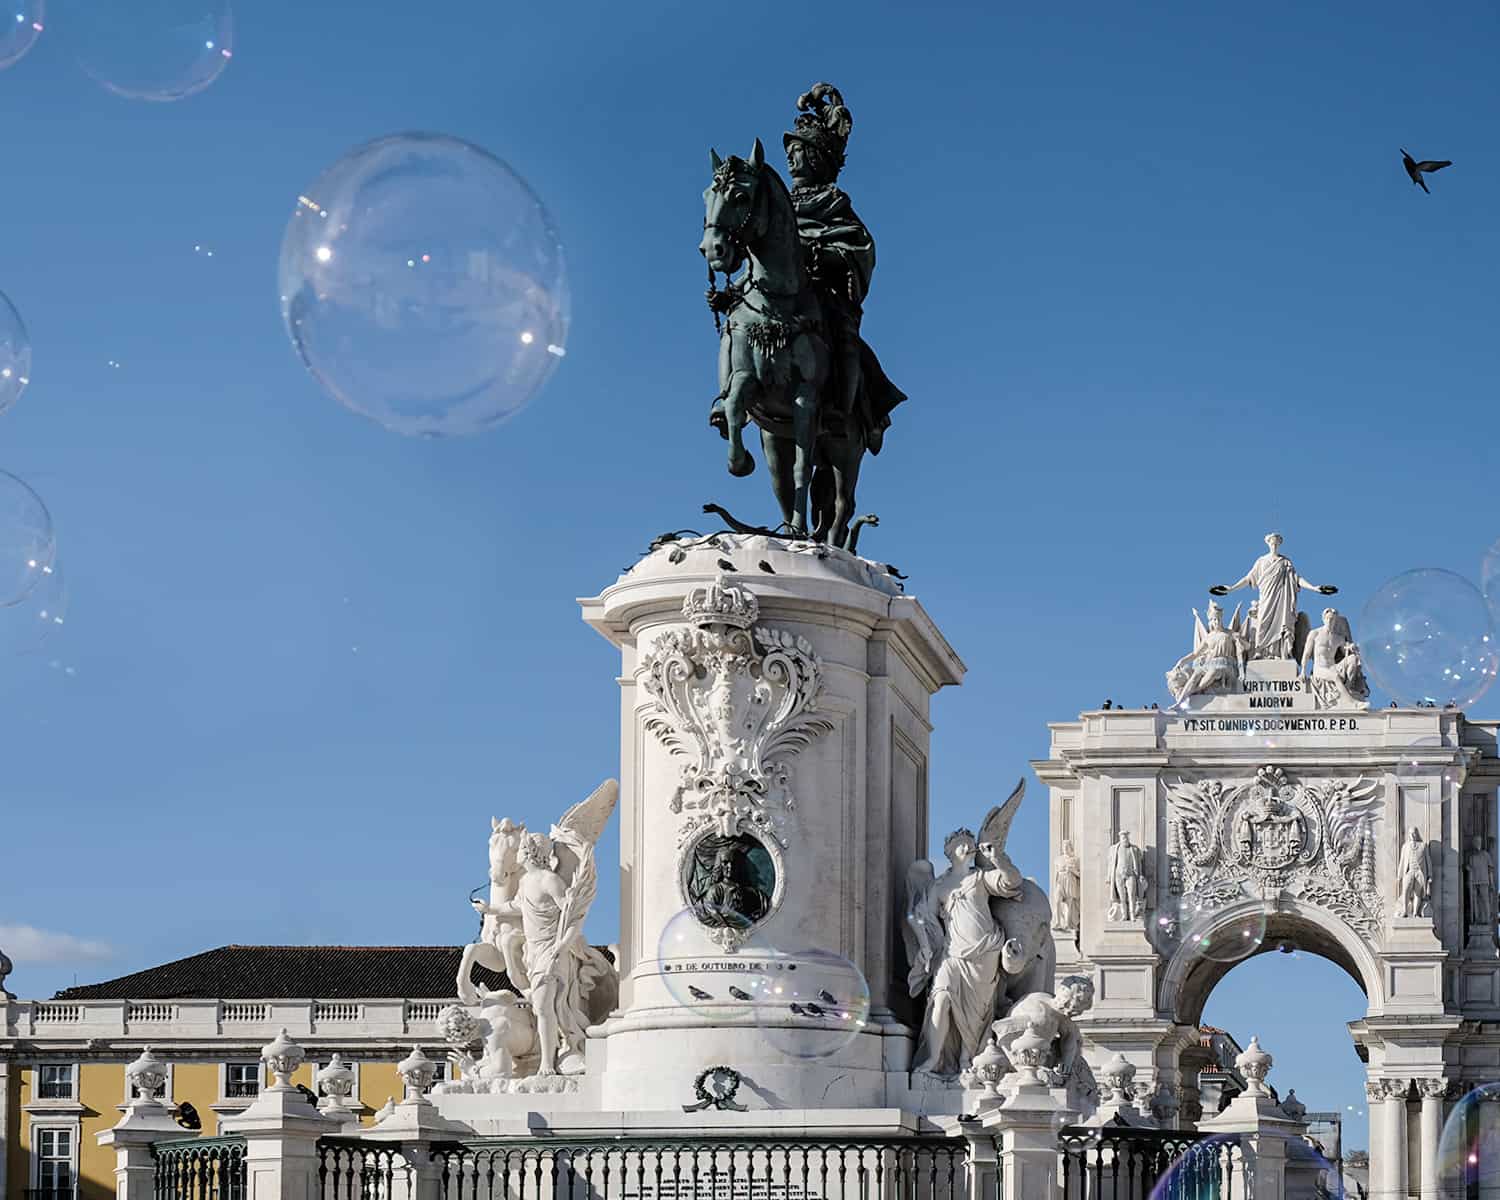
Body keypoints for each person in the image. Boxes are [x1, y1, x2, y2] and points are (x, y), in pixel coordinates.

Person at [912, 826, 1025, 1076]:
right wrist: (923, 945)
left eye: (970, 843)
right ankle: (932, 1059)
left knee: (977, 1013)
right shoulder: (938, 887)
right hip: (952, 954)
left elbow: (1012, 881)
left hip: (985, 951)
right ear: (949, 850)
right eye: (962, 843)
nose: (968, 846)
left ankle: (968, 1059)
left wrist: (997, 858)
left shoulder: (980, 878)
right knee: (940, 999)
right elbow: (924, 919)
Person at [1211, 533, 1337, 660]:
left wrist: (1314, 588)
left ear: (1280, 544)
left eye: (1277, 543)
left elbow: (1296, 579)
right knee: (1262, 623)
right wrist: (1231, 588)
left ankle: (1279, 654)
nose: (1274, 545)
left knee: (1282, 625)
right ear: (1268, 543)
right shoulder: (1261, 562)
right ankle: (1260, 651)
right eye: (1272, 542)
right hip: (1266, 598)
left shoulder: (1285, 562)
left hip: (1282, 601)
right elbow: (1248, 578)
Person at [1166, 602, 1250, 704]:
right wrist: (1182, 661)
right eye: (1214, 619)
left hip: (1226, 666)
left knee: (1213, 672)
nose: (1216, 621)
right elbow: (1195, 654)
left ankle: (1194, 692)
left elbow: (1247, 647)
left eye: (1218, 618)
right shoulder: (1209, 637)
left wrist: (1240, 639)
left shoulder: (1230, 633)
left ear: (1221, 618)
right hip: (1209, 664)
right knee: (1196, 674)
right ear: (1210, 621)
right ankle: (1180, 701)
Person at [1108, 831, 1147, 921]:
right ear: (1120, 839)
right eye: (1123, 838)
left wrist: (1140, 874)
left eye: (1126, 837)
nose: (1125, 839)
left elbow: (1139, 864)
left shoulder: (1134, 849)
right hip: (1118, 875)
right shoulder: (1115, 849)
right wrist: (1109, 877)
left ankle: (1132, 914)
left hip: (1131, 875)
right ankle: (1124, 915)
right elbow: (1111, 864)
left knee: (1132, 896)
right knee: (1122, 897)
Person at [1397, 828, 1433, 919]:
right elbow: (1402, 861)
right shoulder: (1405, 846)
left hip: (1420, 872)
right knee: (1405, 891)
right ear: (1409, 835)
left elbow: (1428, 861)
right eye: (1411, 833)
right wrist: (1399, 875)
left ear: (1417, 834)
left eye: (1414, 833)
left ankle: (1416, 913)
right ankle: (1404, 911)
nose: (1413, 835)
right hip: (1409, 872)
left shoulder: (1423, 846)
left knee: (1418, 893)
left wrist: (1430, 875)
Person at [1467, 834, 1495, 927]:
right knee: (1475, 901)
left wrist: (1492, 883)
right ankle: (1477, 918)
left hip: (1484, 881)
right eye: (1476, 842)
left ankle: (1487, 919)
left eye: (1479, 842)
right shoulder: (1471, 857)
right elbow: (1469, 869)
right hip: (1474, 882)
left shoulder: (1486, 855)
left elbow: (1490, 870)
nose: (1478, 843)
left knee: (1485, 900)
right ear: (1473, 844)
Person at [1052, 840, 1081, 931]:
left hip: (1070, 880)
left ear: (1070, 848)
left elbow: (1079, 874)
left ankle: (1068, 924)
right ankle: (1058, 922)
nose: (1065, 848)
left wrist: (1072, 870)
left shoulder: (1075, 860)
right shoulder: (1058, 859)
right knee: (1057, 901)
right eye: (1064, 847)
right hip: (1060, 881)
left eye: (1067, 847)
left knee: (1069, 903)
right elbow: (1056, 874)